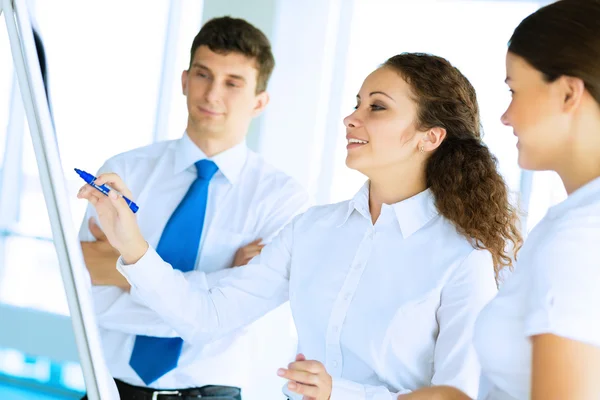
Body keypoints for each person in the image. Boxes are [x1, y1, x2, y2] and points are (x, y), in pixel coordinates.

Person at [78, 52, 522, 399]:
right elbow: (207, 317)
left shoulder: (464, 258)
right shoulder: (312, 229)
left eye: (377, 107)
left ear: (430, 136)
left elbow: (458, 395)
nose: (352, 118)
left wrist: (340, 395)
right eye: (356, 104)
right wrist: (131, 243)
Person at [78, 16, 309, 400]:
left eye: (233, 83)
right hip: (107, 389)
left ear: (260, 101)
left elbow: (221, 321)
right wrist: (215, 286)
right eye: (203, 75)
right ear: (185, 81)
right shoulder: (123, 172)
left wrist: (128, 272)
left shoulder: (283, 200)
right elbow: (87, 291)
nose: (212, 94)